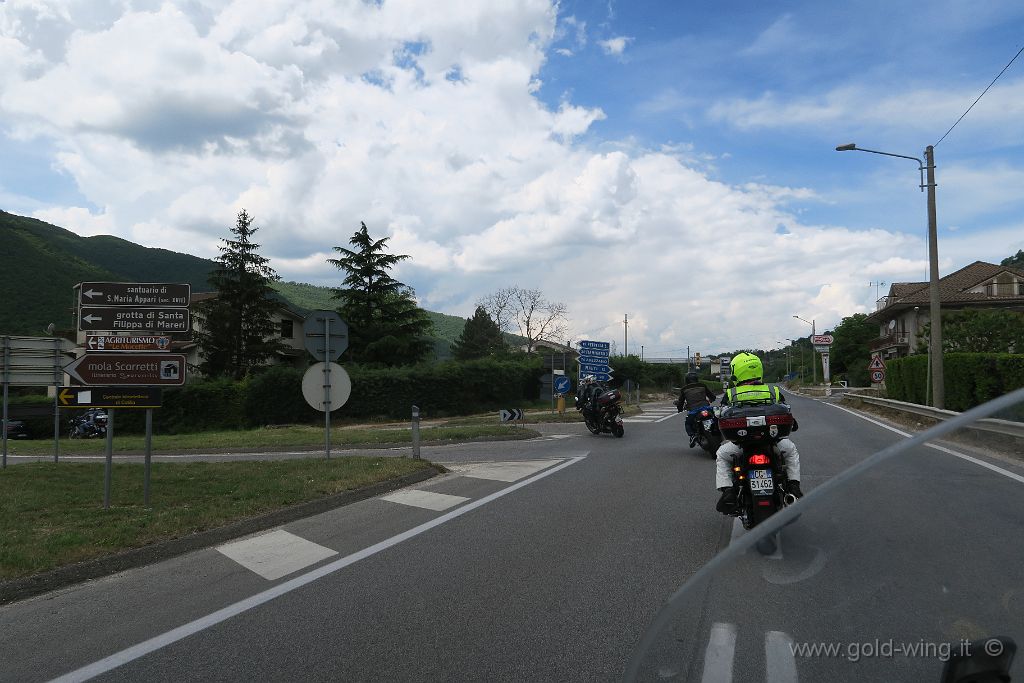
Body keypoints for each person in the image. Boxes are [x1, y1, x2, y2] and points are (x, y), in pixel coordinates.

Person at [715, 352, 802, 513]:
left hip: (741, 444)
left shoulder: (731, 393)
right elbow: (785, 411)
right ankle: (794, 487)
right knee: (791, 450)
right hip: (772, 442)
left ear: (736, 372)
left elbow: (722, 414)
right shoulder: (773, 390)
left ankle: (728, 491)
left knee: (722, 454)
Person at [677, 371, 717, 448]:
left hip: (694, 410)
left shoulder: (684, 389)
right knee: (715, 418)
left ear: (686, 380)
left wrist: (680, 409)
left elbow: (680, 402)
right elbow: (712, 396)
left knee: (688, 424)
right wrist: (711, 399)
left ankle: (692, 435)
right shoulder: (702, 385)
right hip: (706, 408)